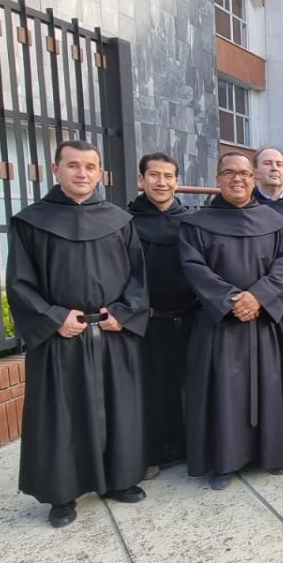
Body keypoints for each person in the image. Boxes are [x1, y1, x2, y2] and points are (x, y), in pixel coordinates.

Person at [7, 139, 150, 527]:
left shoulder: (119, 219)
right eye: (73, 166)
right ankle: (62, 495)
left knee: (118, 408)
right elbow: (19, 283)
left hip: (112, 329)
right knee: (62, 415)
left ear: (100, 172)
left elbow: (138, 276)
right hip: (61, 335)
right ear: (56, 170)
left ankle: (120, 480)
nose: (82, 173)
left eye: (89, 166)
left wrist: (123, 313)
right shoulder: (31, 221)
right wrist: (54, 317)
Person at [179, 152, 283, 490]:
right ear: (217, 179)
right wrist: (232, 299)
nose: (238, 179)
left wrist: (258, 296)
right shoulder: (197, 224)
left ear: (254, 178)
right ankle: (224, 463)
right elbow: (194, 267)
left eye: (244, 174)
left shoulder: (276, 223)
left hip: (264, 323)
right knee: (223, 394)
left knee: (269, 387)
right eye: (229, 173)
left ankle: (272, 455)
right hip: (220, 324)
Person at [127, 152, 198, 478]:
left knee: (191, 385)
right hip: (148, 321)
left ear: (177, 181)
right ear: (141, 180)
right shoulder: (125, 223)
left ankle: (190, 447)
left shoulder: (191, 220)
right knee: (150, 390)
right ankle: (153, 452)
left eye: (168, 176)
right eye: (154, 175)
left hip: (190, 316)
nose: (161, 182)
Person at [252, 146, 283, 217]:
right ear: (255, 171)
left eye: (279, 164)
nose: (274, 168)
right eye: (267, 163)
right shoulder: (245, 204)